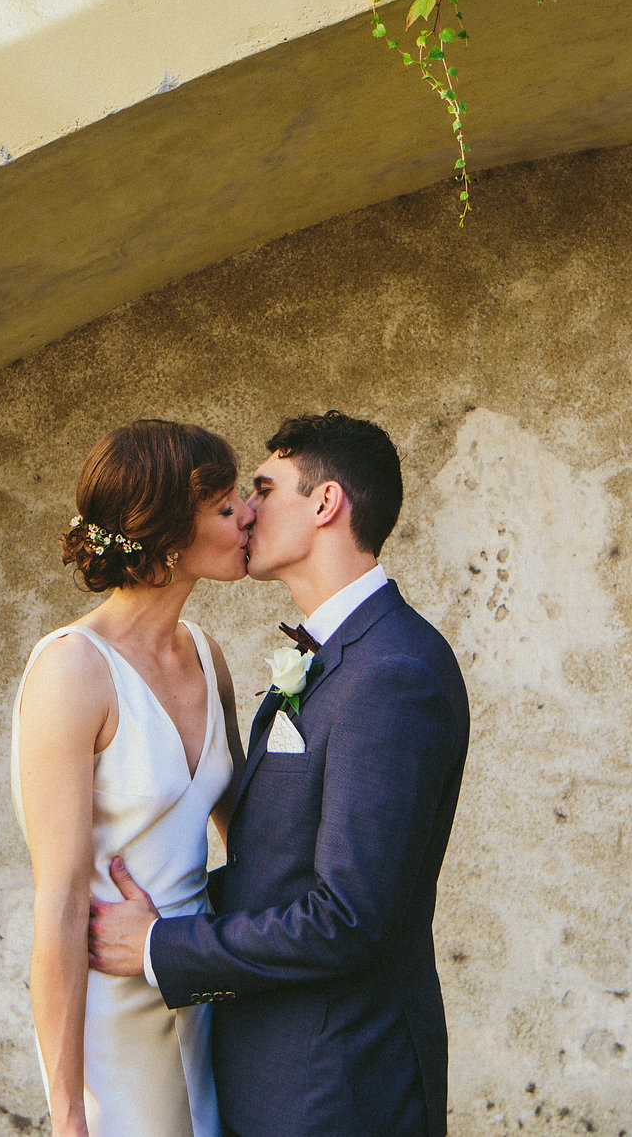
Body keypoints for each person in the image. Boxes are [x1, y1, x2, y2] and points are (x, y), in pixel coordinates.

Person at [89, 411, 471, 1137]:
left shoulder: (393, 671)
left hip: (339, 1090)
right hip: (275, 1076)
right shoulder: (332, 656)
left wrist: (158, 945)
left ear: (326, 503)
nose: (246, 509)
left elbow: (348, 918)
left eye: (264, 488)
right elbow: (279, 864)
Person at [11, 419, 251, 1137]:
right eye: (226, 505)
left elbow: (251, 835)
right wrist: (68, 1111)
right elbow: (55, 901)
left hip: (200, 983)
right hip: (112, 1013)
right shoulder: (73, 670)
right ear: (172, 534)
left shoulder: (208, 656)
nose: (248, 517)